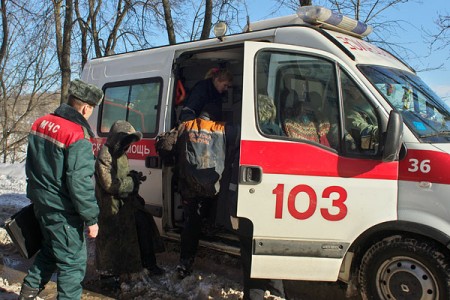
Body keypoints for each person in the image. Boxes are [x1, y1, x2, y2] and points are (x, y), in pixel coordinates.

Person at [19, 79, 103, 300]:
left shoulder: (41, 123)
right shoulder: (78, 135)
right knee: (72, 264)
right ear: (86, 107)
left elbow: (32, 164)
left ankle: (26, 294)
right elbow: (80, 183)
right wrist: (92, 218)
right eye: (91, 110)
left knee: (49, 252)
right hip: (62, 210)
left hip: (41, 204)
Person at [94, 120, 164, 279]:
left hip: (126, 203)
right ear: (116, 140)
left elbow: (122, 177)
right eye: (126, 143)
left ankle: (148, 263)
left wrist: (133, 177)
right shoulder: (105, 156)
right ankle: (108, 276)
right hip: (111, 207)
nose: (128, 147)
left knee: (144, 223)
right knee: (111, 243)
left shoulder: (120, 153)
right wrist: (132, 182)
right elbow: (111, 185)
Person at [175, 103, 233, 278]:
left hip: (189, 184)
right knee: (207, 207)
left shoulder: (186, 126)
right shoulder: (221, 128)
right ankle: (210, 227)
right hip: (211, 183)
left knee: (190, 223)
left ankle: (185, 263)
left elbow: (172, 149)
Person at [343, 85, 379, 152]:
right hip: (366, 145)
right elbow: (358, 126)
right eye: (355, 88)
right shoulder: (349, 107)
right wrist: (377, 132)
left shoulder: (373, 102)